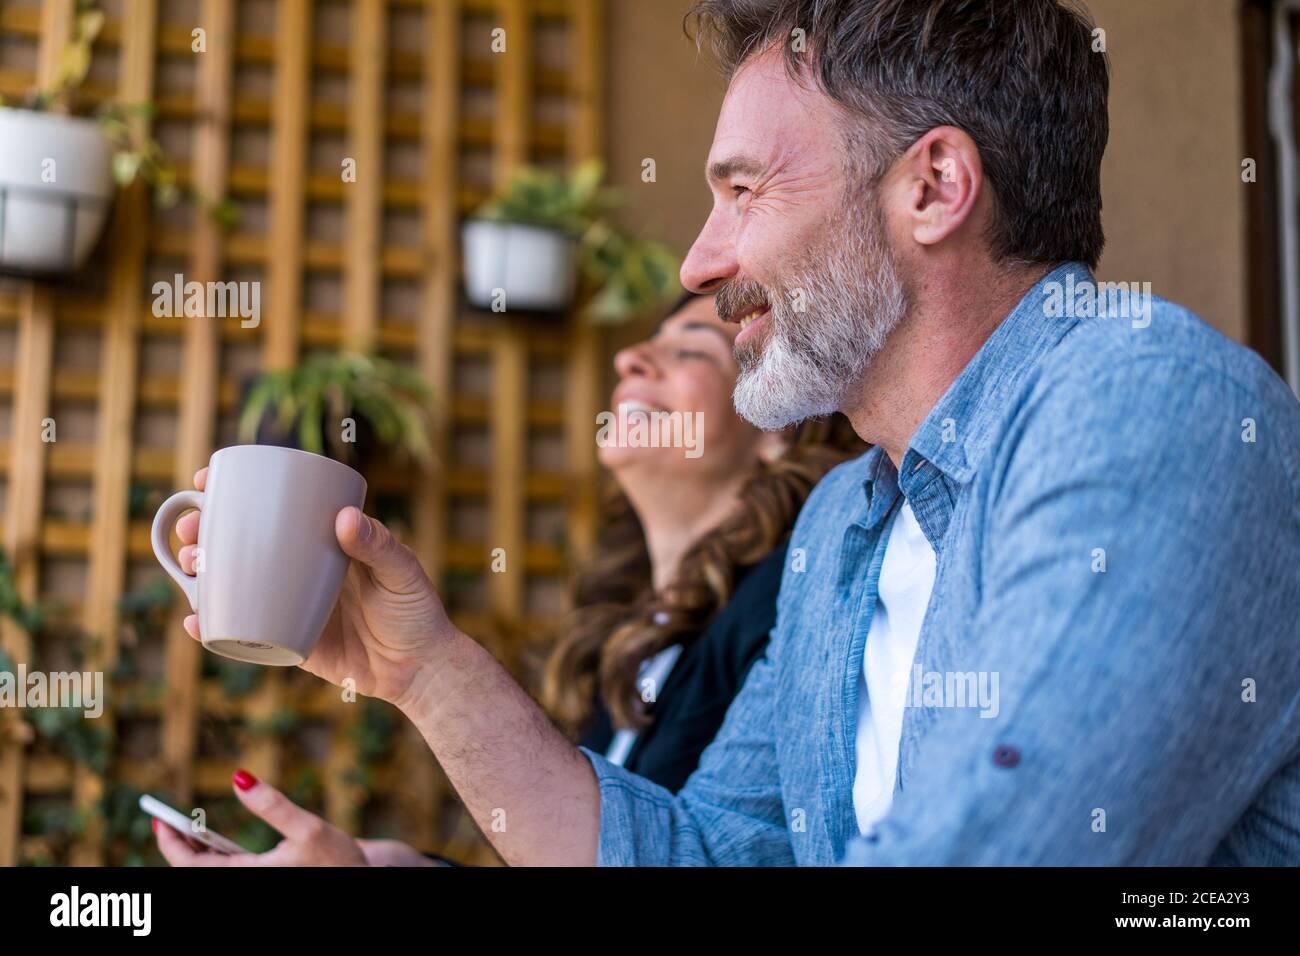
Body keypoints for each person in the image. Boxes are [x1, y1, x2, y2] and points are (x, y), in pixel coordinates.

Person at [160, 0, 1300, 867]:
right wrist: (423, 668)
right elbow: (703, 853)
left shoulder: (1143, 402)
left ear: (934, 186)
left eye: (743, 191)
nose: (699, 263)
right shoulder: (844, 523)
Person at [153, 293, 862, 867]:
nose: (628, 357)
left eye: (687, 352)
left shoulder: (793, 597)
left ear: (779, 423)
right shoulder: (627, 633)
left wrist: (426, 674)